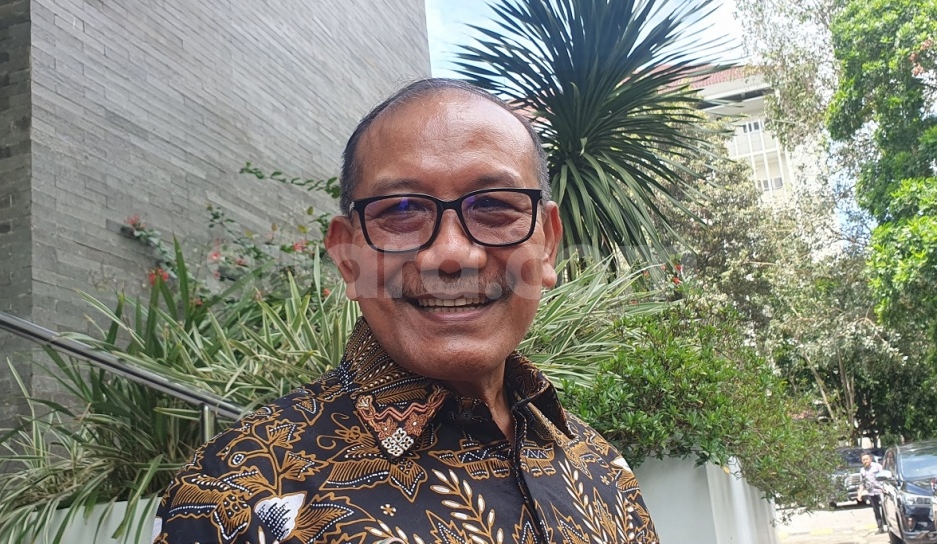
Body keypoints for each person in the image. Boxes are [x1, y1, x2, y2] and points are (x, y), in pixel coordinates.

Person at [151, 78, 659, 544]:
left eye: (494, 206)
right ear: (347, 256)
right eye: (400, 211)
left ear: (547, 244)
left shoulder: (601, 467)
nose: (452, 254)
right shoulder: (236, 494)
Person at [859, 452, 885, 534]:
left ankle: (888, 524)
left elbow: (884, 476)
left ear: (870, 459)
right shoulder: (862, 470)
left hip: (881, 491)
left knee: (885, 509)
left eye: (866, 459)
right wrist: (859, 494)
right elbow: (862, 483)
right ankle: (880, 528)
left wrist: (884, 487)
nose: (865, 461)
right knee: (876, 510)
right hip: (871, 493)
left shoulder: (877, 466)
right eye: (863, 460)